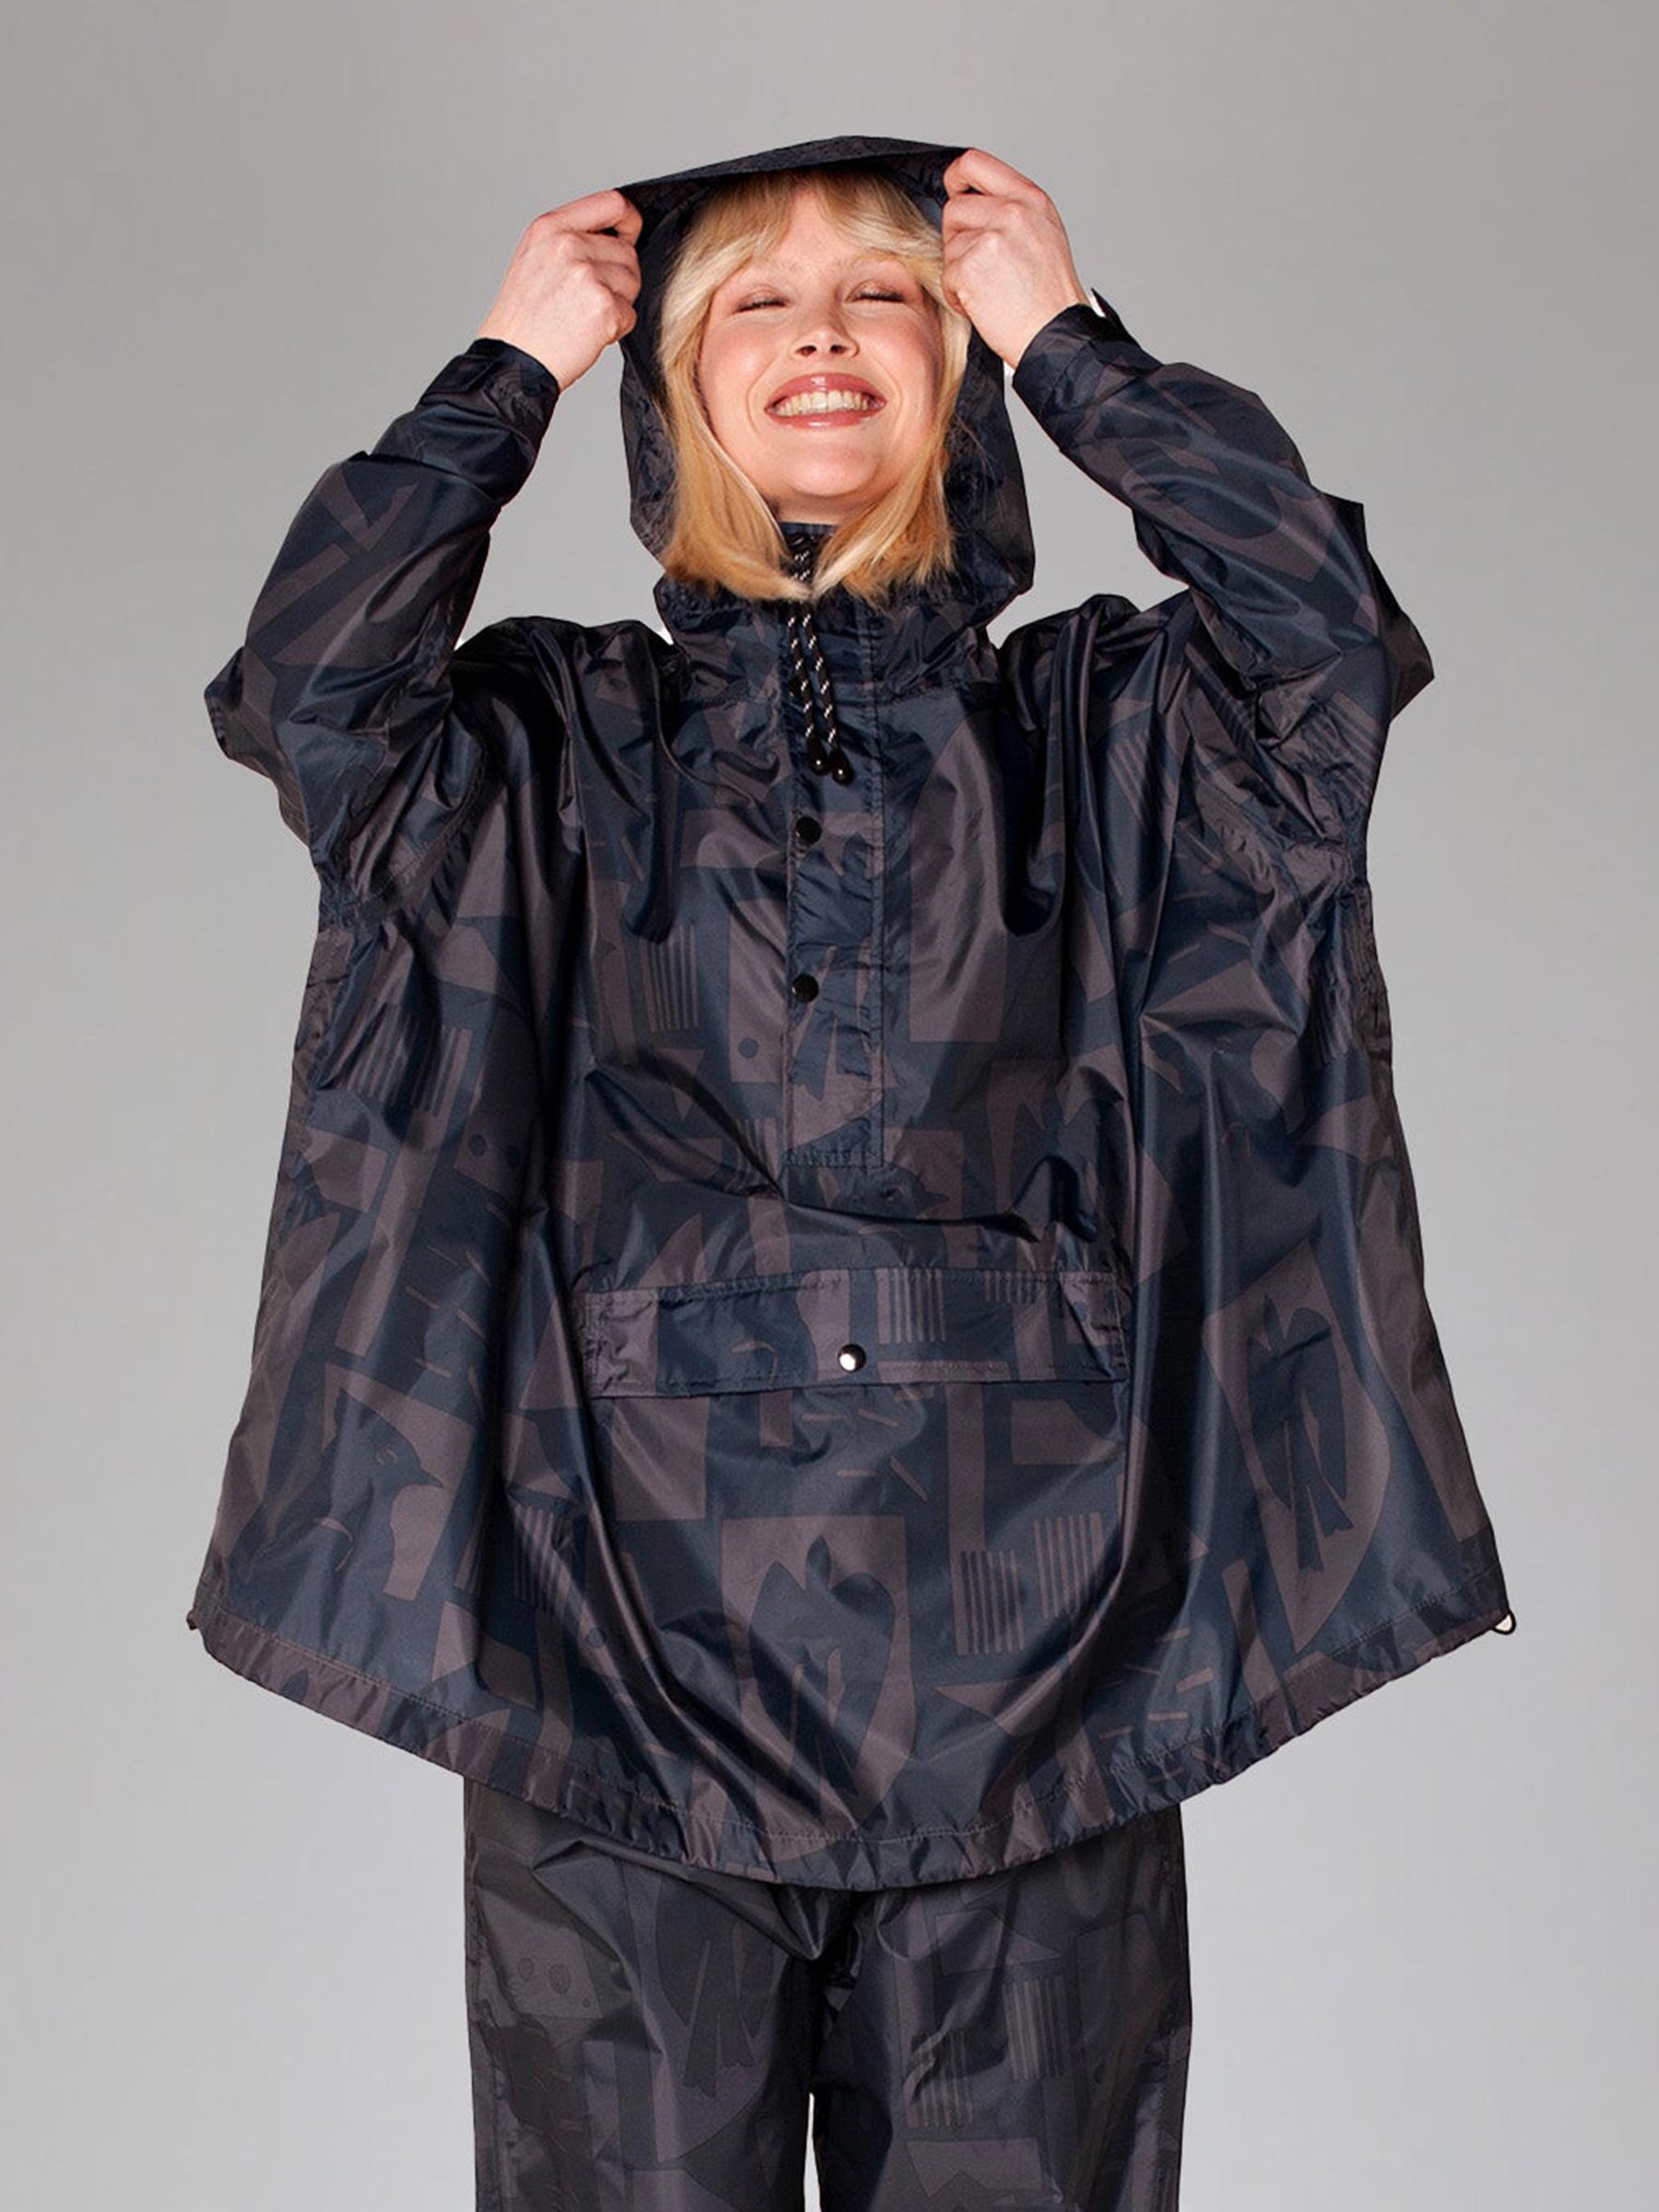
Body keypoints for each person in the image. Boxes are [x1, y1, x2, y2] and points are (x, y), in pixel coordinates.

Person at [187, 134, 1512, 2210]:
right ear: (671, 387)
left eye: (883, 290)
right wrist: (501, 376)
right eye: (753, 300)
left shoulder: (1109, 732)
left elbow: (1324, 640)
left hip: (1047, 1670)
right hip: (610, 1668)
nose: (821, 331)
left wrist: (1078, 349)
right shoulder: (550, 747)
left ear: (960, 363)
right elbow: (312, 692)